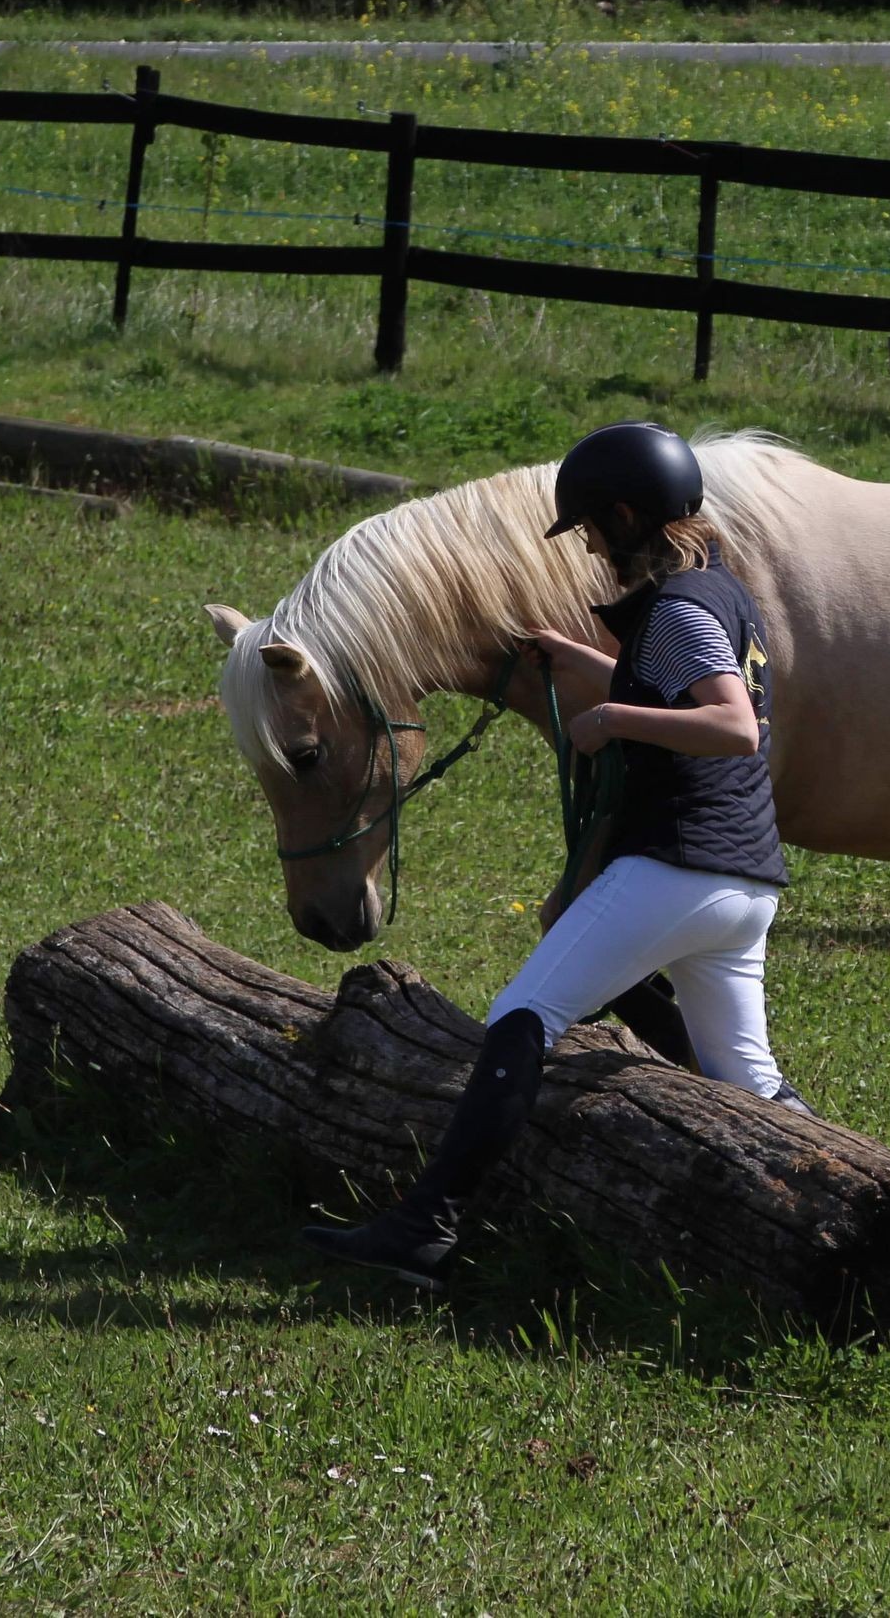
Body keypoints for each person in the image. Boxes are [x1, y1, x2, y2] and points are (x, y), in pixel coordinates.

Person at [302, 420, 811, 1288]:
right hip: (743, 881)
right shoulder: (717, 591)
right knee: (749, 1080)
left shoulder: (679, 609)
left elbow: (731, 724)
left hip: (678, 867)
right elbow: (682, 687)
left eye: (591, 530)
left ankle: (428, 1228)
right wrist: (586, 663)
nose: (590, 550)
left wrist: (611, 718)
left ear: (624, 515)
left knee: (525, 1016)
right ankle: (835, 1209)